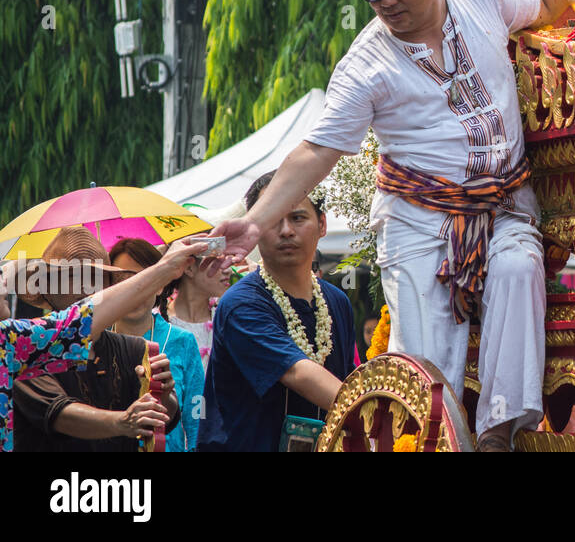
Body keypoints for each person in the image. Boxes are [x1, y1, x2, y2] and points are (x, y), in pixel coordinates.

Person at [210, 0, 575, 451]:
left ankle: (501, 436)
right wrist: (253, 224)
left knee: (520, 268)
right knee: (426, 366)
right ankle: (440, 445)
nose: (386, 3)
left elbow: (544, 3)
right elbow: (317, 150)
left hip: (506, 207)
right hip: (419, 222)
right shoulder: (366, 64)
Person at [198, 172, 357, 452]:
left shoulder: (337, 301)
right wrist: (370, 410)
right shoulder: (241, 304)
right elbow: (297, 373)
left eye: (297, 218)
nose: (286, 231)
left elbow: (347, 377)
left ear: (322, 225)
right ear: (253, 231)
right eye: (273, 220)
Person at [7, 229, 203, 452]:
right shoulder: (28, 347)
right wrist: (123, 421)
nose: (85, 288)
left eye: (95, 276)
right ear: (49, 289)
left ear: (111, 286)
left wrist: (163, 394)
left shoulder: (135, 347)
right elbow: (59, 413)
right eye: (71, 277)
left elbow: (164, 421)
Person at [107, 239, 205, 452]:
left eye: (144, 278)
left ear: (161, 284)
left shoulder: (183, 341)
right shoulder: (97, 341)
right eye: (123, 281)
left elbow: (199, 415)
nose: (134, 291)